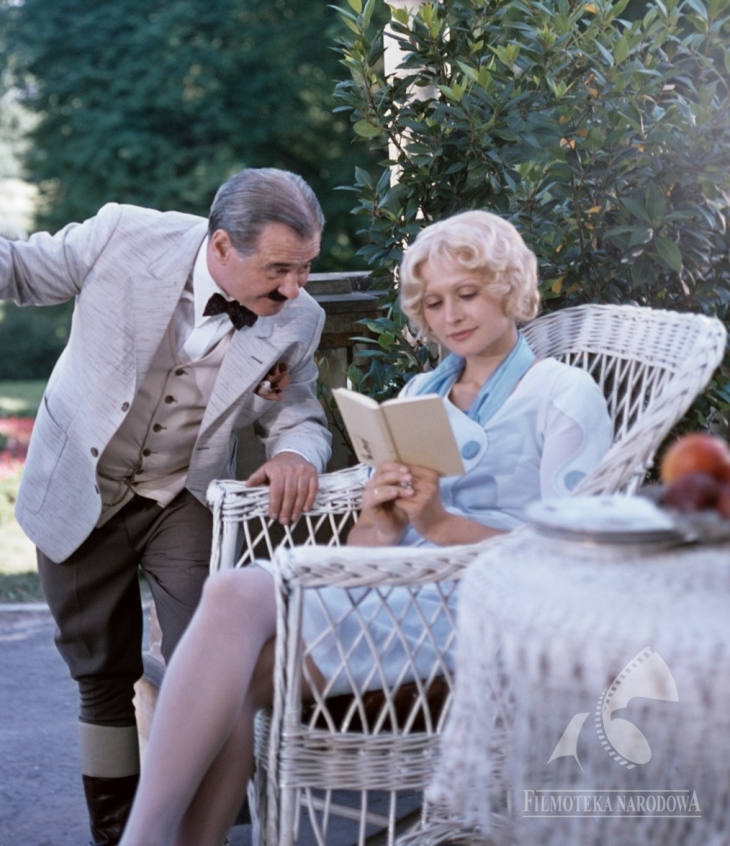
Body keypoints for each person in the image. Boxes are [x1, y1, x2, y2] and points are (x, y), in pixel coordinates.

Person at [119, 210, 613, 846]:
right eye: (433, 303)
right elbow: (371, 547)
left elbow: (581, 561)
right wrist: (379, 517)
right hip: (400, 595)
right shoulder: (421, 391)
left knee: (234, 597)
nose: (452, 315)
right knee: (234, 671)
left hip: (490, 616)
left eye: (467, 293)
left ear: (508, 285)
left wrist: (439, 523)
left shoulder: (561, 393)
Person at [0, 168, 332, 846]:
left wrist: (297, 453)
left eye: (305, 268)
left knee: (214, 667)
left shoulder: (298, 318)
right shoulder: (125, 236)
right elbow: (26, 264)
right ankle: (117, 834)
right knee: (101, 675)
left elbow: (298, 410)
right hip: (80, 484)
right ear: (221, 246)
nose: (295, 288)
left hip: (184, 494)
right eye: (279, 269)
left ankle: (213, 832)